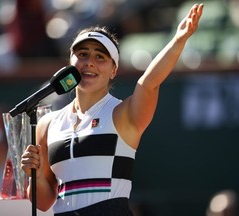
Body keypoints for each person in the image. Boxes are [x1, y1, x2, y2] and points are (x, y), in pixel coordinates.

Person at [21, 3, 204, 215]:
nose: (89, 62)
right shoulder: (47, 124)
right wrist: (33, 175)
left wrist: (179, 39)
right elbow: (43, 202)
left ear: (113, 70)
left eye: (100, 57)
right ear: (70, 62)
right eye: (82, 54)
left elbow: (149, 83)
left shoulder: (123, 114)